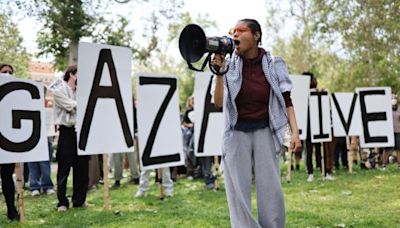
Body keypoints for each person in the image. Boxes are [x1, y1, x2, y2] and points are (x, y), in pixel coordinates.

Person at [211, 19, 301, 227]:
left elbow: (287, 101)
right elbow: (217, 103)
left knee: (271, 189)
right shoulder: (229, 64)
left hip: (265, 132)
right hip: (236, 133)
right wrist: (218, 72)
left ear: (257, 35)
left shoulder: (274, 64)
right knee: (237, 192)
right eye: (233, 31)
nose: (235, 35)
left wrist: (294, 133)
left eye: (241, 31)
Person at [50, 65, 89, 212]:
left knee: (82, 168)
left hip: (81, 132)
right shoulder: (59, 89)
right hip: (67, 132)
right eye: (80, 74)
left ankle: (79, 200)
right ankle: (62, 202)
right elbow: (68, 106)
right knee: (64, 168)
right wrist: (85, 105)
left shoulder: (82, 91)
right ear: (72, 74)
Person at [0, 63, 19, 221]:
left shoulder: (16, 95)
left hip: (8, 143)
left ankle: (12, 210)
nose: (8, 74)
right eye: (4, 72)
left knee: (7, 177)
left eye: (10, 72)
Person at [27, 93, 55, 196]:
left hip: (45, 137)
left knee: (45, 163)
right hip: (31, 138)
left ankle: (47, 185)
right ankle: (34, 186)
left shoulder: (47, 105)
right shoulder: (28, 105)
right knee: (32, 163)